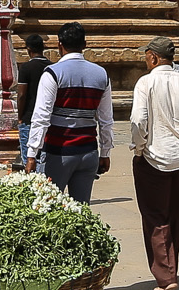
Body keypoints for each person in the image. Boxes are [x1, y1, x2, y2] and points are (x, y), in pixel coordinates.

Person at [129, 36, 179, 290]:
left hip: (154, 157)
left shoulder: (146, 82)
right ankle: (171, 265)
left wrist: (139, 148)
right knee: (177, 213)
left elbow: (138, 121)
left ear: (153, 57)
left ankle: (166, 275)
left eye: (146, 56)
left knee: (156, 215)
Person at [25, 21, 113, 202]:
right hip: (88, 152)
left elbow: (41, 117)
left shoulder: (53, 73)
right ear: (84, 45)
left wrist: (32, 153)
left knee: (47, 210)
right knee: (80, 212)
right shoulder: (101, 74)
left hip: (58, 152)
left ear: (59, 45)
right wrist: (105, 153)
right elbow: (106, 120)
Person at [15, 32, 51, 166]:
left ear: (28, 49)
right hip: (48, 118)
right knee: (44, 158)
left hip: (29, 116)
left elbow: (22, 95)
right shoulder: (51, 67)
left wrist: (20, 117)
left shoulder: (25, 68)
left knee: (28, 157)